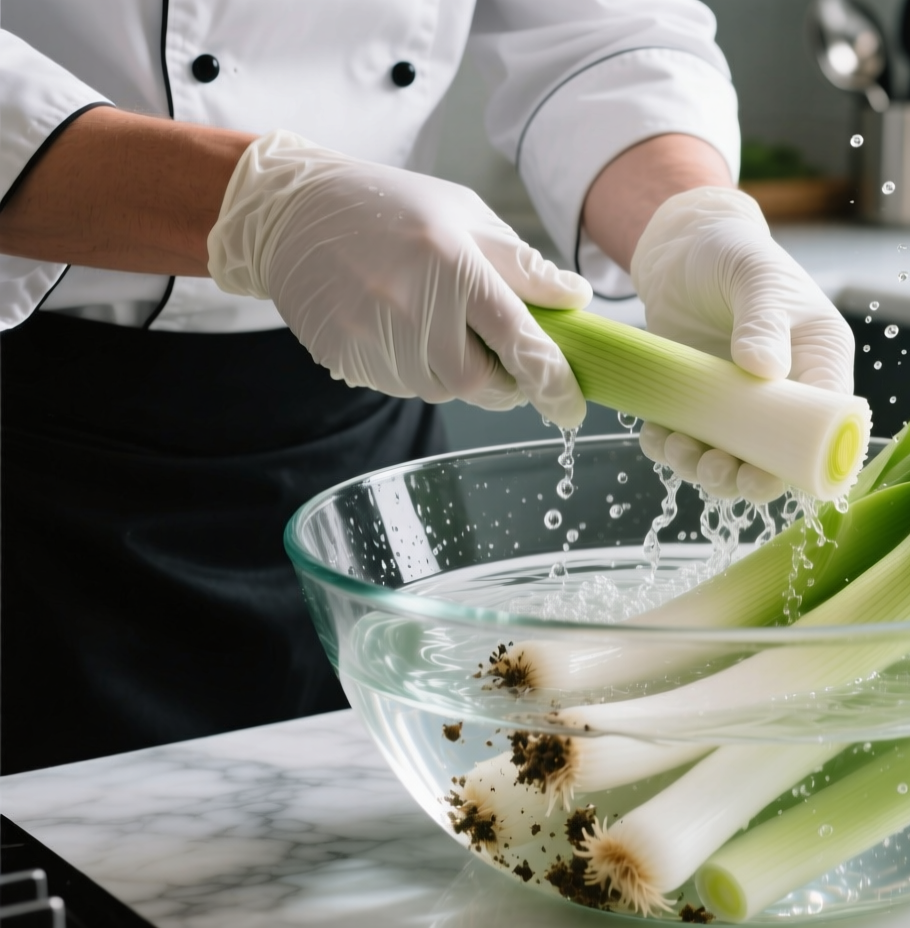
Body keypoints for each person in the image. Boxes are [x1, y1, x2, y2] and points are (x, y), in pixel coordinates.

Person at [0, 1, 854, 774]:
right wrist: (255, 205)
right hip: (28, 452)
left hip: (361, 435)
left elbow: (600, 32)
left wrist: (686, 219)